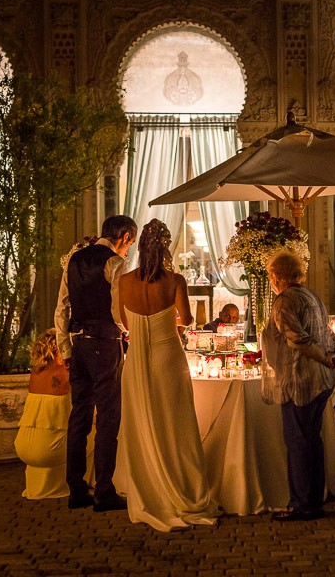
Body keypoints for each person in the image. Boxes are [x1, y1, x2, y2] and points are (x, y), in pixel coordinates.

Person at [114, 219, 220, 531]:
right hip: (167, 356)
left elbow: (126, 323)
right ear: (165, 249)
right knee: (176, 425)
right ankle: (183, 490)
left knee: (143, 423)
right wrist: (168, 321)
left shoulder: (125, 282)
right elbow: (186, 319)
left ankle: (150, 488)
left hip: (135, 361)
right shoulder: (175, 281)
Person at [55, 214, 136, 512]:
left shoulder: (74, 260)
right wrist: (128, 332)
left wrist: (65, 349)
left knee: (79, 416)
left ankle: (76, 490)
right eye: (131, 243)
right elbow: (118, 309)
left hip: (77, 345)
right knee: (108, 418)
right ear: (125, 237)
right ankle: (104, 490)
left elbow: (61, 307)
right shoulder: (116, 263)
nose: (129, 249)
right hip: (105, 343)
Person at [261, 250, 335, 522]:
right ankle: (313, 500)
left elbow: (297, 339)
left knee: (298, 442)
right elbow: (328, 331)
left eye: (271, 277)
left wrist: (327, 356)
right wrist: (332, 353)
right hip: (321, 380)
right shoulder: (311, 295)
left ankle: (302, 504)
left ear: (277, 277)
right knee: (311, 441)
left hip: (300, 380)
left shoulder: (284, 301)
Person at [15, 329, 94, 500]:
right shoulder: (67, 373)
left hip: (23, 446)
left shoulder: (36, 372)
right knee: (96, 429)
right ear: (59, 349)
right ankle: (88, 483)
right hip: (48, 449)